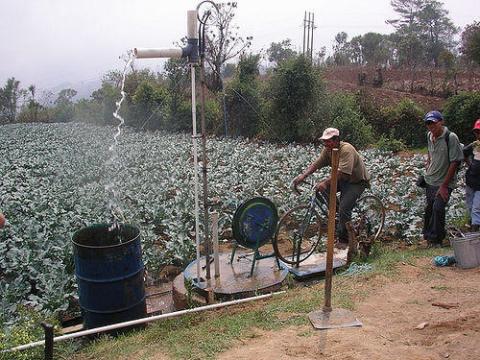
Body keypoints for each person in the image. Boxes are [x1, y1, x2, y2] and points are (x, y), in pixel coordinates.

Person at [292, 128, 370, 249]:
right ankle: (339, 215)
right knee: (323, 191)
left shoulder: (346, 149)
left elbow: (343, 174)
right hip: (342, 179)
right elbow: (316, 164)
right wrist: (303, 176)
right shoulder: (327, 150)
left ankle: (344, 239)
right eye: (325, 141)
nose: (326, 144)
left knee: (344, 208)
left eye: (329, 141)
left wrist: (324, 182)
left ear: (337, 140)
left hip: (356, 181)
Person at [422, 110, 464, 247]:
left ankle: (436, 239)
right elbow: (430, 152)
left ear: (441, 122)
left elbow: (455, 162)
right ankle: (429, 237)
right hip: (430, 180)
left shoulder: (451, 137)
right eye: (428, 123)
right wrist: (428, 164)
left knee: (438, 208)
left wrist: (444, 186)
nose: (431, 126)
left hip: (444, 182)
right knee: (430, 209)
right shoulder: (429, 136)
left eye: (433, 123)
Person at [463, 119, 480, 232]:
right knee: (470, 206)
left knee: (476, 208)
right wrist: (469, 164)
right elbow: (463, 152)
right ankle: (473, 227)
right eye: (477, 132)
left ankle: (475, 230)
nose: (478, 135)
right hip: (471, 181)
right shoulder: (474, 145)